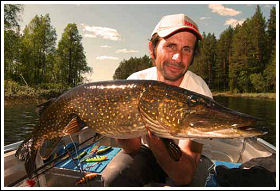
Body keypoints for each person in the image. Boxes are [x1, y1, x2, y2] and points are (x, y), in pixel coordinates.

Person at [105, 13, 213, 187]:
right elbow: (132, 148)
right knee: (113, 179)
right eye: (171, 46)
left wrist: (156, 136)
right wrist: (120, 126)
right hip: (145, 152)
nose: (178, 57)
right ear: (152, 48)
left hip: (183, 160)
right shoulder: (136, 82)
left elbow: (184, 175)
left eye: (187, 49)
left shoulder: (198, 90)